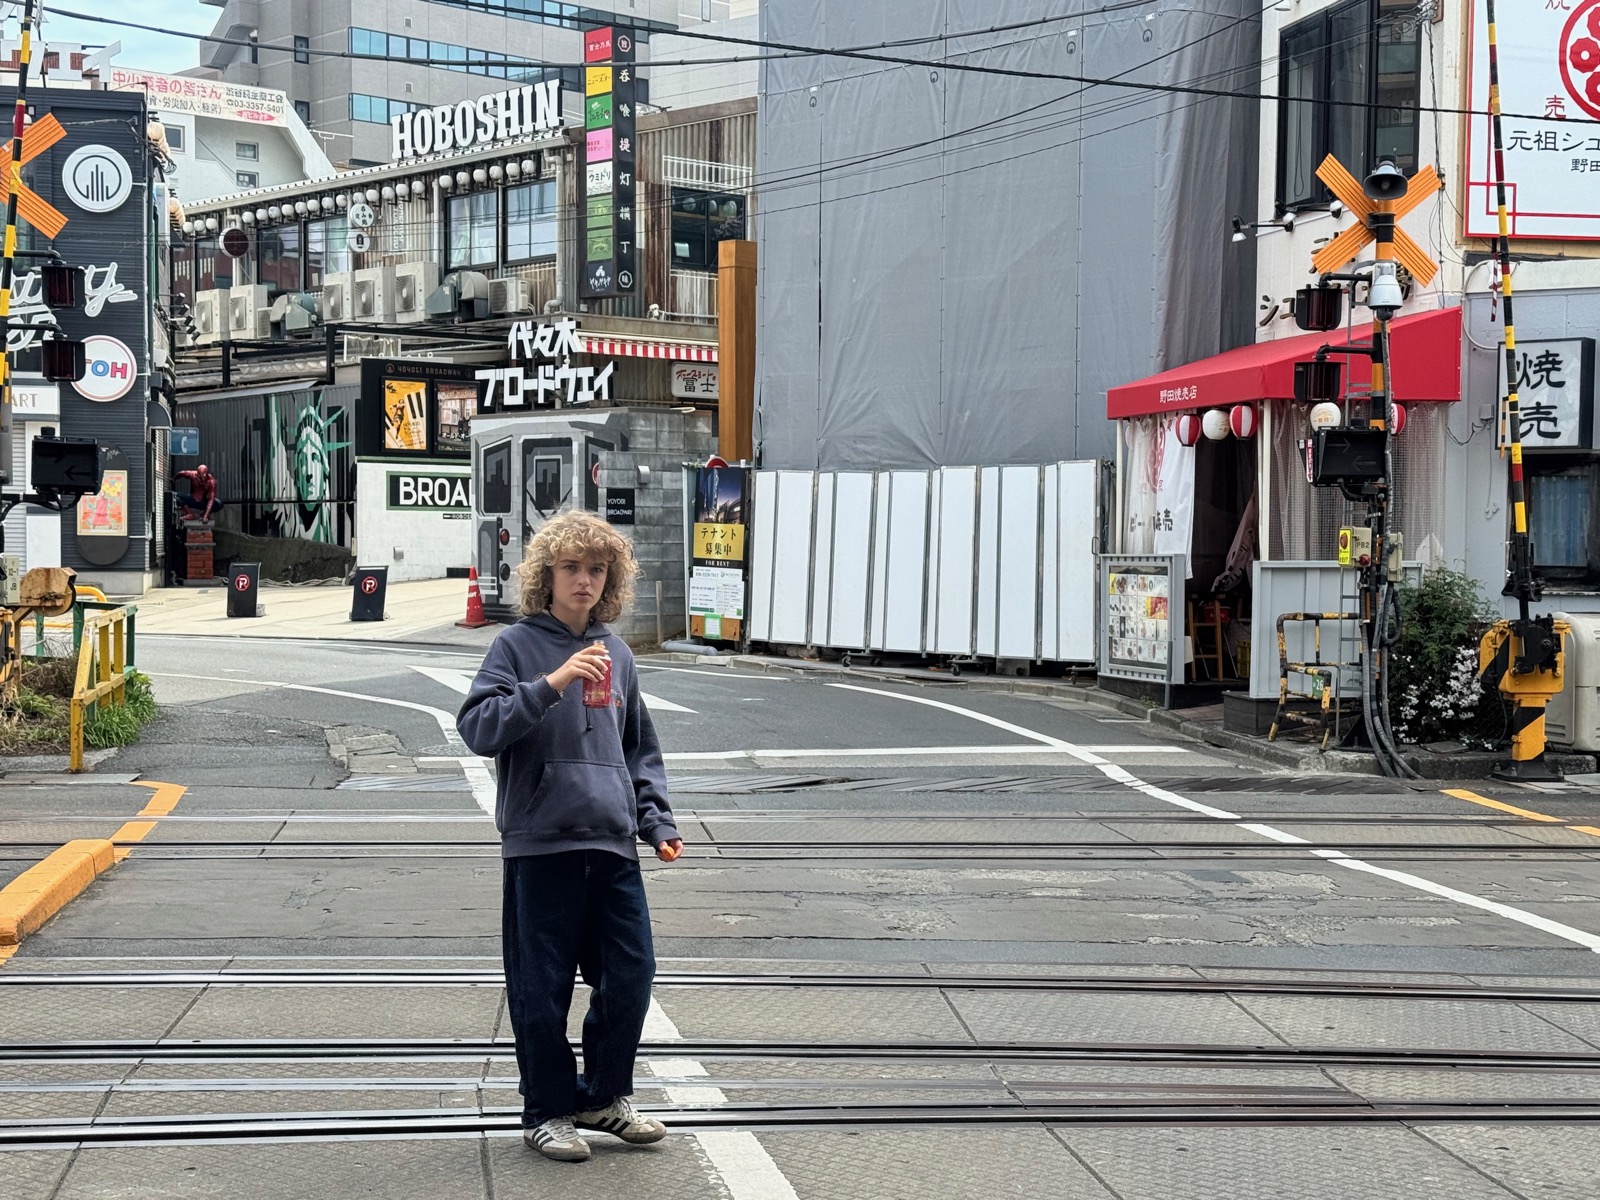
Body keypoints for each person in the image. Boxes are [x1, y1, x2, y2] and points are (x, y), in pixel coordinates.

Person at [457, 511, 683, 1164]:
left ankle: (605, 1097)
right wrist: (552, 684)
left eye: (596, 570)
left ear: (609, 580)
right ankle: (549, 1110)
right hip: (542, 843)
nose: (584, 581)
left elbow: (638, 750)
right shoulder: (516, 648)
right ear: (546, 576)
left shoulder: (618, 653)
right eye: (570, 568)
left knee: (631, 974)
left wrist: (657, 822)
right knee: (542, 987)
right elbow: (478, 727)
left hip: (612, 844)